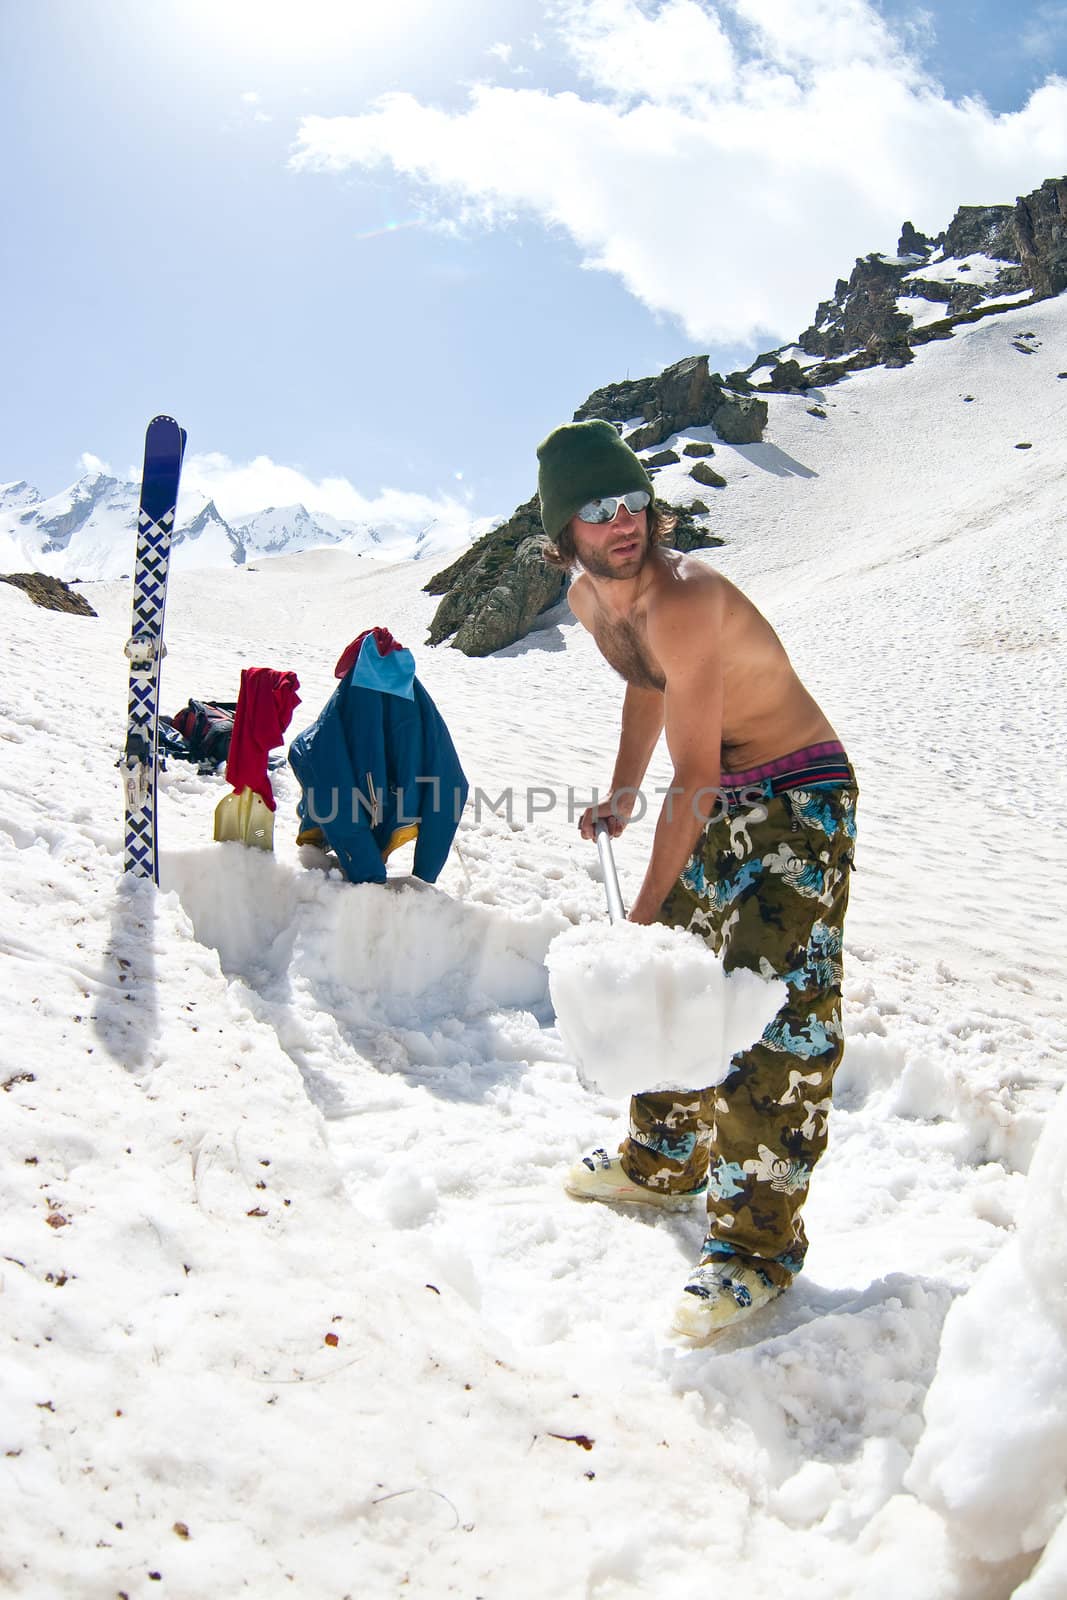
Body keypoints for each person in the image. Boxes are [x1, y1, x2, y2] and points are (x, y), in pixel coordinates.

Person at [537, 418, 858, 1343]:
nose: (622, 519)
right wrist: (622, 794)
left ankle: (755, 1249)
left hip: (794, 792)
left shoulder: (683, 594)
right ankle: (665, 1156)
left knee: (773, 1013)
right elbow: (648, 685)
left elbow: (703, 774)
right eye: (596, 510)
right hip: (711, 788)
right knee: (675, 981)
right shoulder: (590, 599)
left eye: (632, 498)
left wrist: (634, 919)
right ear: (567, 533)